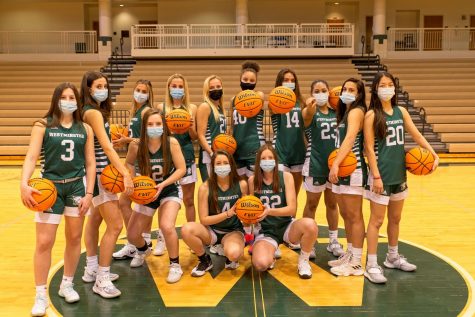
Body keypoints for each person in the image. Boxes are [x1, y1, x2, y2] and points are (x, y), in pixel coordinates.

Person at [20, 83, 95, 316]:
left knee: (74, 239)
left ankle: (67, 284)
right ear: (56, 99)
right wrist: (24, 183)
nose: (68, 100)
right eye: (64, 97)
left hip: (75, 187)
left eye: (72, 96)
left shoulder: (85, 128)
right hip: (49, 188)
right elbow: (32, 156)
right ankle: (40, 293)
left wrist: (90, 193)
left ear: (77, 101)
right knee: (44, 242)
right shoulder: (43, 125)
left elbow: (90, 163)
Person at [363, 72, 439, 283]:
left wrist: (433, 153)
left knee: (395, 219)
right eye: (382, 85)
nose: (387, 88)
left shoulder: (401, 111)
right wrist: (376, 176)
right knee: (376, 221)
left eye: (390, 84)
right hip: (381, 175)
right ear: (376, 90)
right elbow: (368, 148)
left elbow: (416, 135)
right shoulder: (372, 115)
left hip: (399, 174)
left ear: (394, 89)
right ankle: (371, 265)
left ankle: (392, 257)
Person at [80, 71, 134, 298]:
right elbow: (108, 148)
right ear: (89, 89)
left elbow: (102, 144)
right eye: (98, 86)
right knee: (115, 226)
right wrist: (125, 173)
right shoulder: (92, 112)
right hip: (102, 175)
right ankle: (101, 278)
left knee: (94, 220)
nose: (103, 89)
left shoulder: (90, 111)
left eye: (105, 85)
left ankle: (91, 269)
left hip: (95, 173)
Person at [126, 109, 186, 283]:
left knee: (167, 226)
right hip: (146, 192)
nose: (154, 127)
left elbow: (182, 169)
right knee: (132, 235)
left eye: (158, 124)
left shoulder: (171, 143)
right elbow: (129, 163)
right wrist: (133, 178)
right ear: (144, 126)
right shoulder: (136, 145)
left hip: (168, 189)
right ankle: (144, 250)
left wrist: (163, 184)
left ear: (164, 125)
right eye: (150, 124)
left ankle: (175, 265)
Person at [249, 144, 318, 279]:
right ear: (258, 162)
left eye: (270, 157)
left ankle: (304, 261)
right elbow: (250, 210)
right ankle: (271, 252)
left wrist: (269, 211)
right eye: (263, 158)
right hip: (266, 231)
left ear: (275, 160)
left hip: (286, 227)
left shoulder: (286, 177)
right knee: (260, 264)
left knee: (310, 225)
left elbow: (291, 209)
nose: (267, 160)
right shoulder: (253, 181)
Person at [181, 150, 248, 277]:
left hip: (233, 230)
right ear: (213, 166)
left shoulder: (241, 184)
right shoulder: (205, 188)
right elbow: (204, 220)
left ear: (231, 165)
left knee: (234, 254)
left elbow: (246, 214)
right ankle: (205, 260)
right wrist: (229, 213)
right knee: (186, 229)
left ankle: (228, 250)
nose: (222, 166)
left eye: (225, 163)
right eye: (218, 163)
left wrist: (248, 218)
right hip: (212, 231)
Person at [113, 79, 156, 261]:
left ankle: (137, 243)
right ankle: (141, 241)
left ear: (149, 94)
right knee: (136, 205)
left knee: (129, 203)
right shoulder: (137, 111)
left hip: (144, 164)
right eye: (137, 90)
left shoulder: (146, 111)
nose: (140, 93)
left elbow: (148, 138)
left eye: (143, 91)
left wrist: (126, 141)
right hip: (136, 162)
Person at [328, 78, 367, 277]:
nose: (347, 92)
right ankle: (350, 254)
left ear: (359, 94)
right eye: (345, 88)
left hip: (353, 169)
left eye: (352, 89)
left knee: (354, 216)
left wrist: (335, 163)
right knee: (346, 215)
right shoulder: (344, 113)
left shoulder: (356, 111)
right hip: (343, 170)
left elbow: (351, 138)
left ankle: (357, 262)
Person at [302, 80, 344, 258]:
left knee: (332, 204)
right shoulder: (311, 113)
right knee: (311, 204)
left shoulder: (337, 113)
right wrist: (309, 104)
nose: (321, 93)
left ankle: (333, 241)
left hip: (334, 165)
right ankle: (308, 242)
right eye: (316, 91)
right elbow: (306, 114)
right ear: (312, 94)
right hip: (315, 164)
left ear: (329, 92)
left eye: (323, 90)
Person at [230, 61, 266, 252]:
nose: (248, 82)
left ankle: (258, 232)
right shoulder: (233, 100)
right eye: (245, 79)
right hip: (237, 149)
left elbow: (257, 95)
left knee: (255, 190)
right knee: (242, 190)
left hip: (254, 147)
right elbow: (232, 126)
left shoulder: (258, 96)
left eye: (252, 80)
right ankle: (245, 230)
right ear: (240, 80)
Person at [158, 74, 198, 224]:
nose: (177, 89)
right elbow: (159, 134)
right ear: (168, 88)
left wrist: (190, 126)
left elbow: (194, 137)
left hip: (186, 155)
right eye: (174, 86)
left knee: (188, 200)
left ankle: (191, 232)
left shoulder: (192, 108)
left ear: (185, 89)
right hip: (168, 158)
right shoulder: (161, 107)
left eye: (180, 87)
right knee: (166, 200)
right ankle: (163, 237)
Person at [271, 68, 306, 197]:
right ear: (280, 82)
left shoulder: (302, 103)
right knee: (282, 192)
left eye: (292, 80)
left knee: (294, 194)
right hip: (281, 150)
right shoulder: (274, 101)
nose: (290, 82)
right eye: (286, 80)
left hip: (298, 150)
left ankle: (292, 217)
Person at [196, 75, 227, 182]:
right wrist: (212, 154)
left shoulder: (220, 108)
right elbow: (200, 136)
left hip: (220, 155)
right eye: (212, 87)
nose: (216, 89)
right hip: (208, 157)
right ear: (207, 91)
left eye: (218, 86)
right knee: (210, 192)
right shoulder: (205, 107)